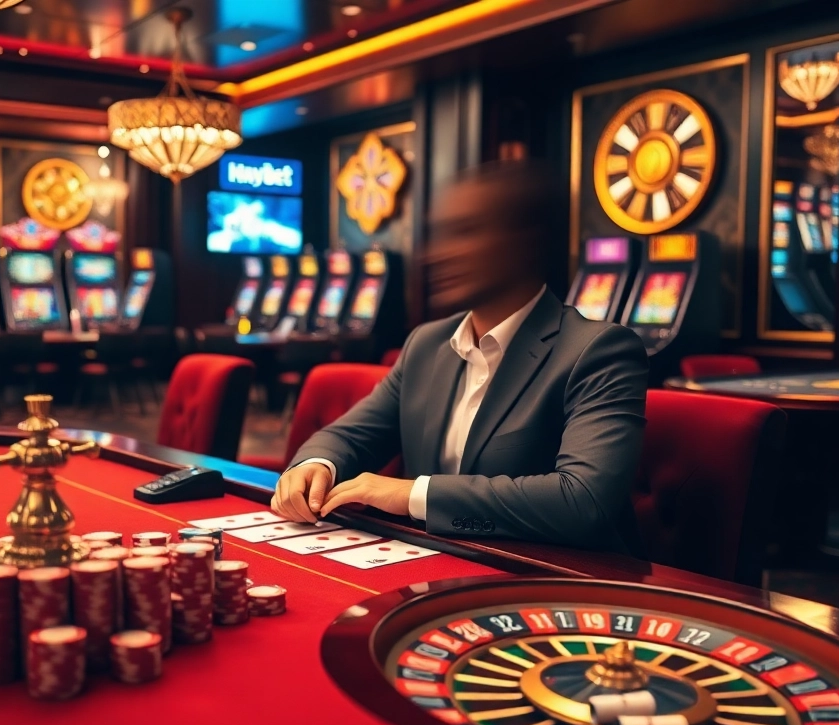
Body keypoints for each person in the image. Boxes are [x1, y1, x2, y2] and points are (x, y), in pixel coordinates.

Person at [270, 161, 648, 554]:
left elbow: (582, 501)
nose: (436, 254)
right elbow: (349, 436)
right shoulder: (426, 343)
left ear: (524, 244)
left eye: (465, 231)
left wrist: (412, 494)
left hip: (557, 576)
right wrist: (316, 464)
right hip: (435, 562)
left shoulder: (599, 350)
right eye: (438, 234)